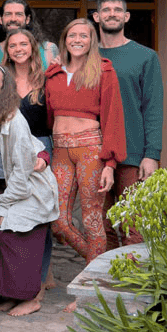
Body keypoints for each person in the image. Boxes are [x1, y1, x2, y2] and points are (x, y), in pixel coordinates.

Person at [0, 65, 59, 316]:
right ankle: (12, 296)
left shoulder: (14, 122)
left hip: (29, 188)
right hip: (6, 186)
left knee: (13, 235)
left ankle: (31, 299)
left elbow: (22, 178)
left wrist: (1, 207)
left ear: (4, 88)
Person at [45, 18, 126, 263]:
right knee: (58, 222)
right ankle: (101, 265)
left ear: (92, 41)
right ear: (65, 40)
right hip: (60, 151)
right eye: (72, 35)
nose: (77, 40)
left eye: (83, 36)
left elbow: (113, 118)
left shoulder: (103, 70)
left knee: (92, 220)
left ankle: (91, 286)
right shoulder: (53, 73)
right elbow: (48, 116)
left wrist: (110, 165)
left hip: (91, 149)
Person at [93, 0, 164, 248]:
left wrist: (151, 154)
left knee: (133, 226)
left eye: (117, 9)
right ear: (96, 16)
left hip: (133, 155)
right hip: (94, 152)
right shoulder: (86, 56)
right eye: (106, 9)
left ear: (126, 16)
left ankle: (134, 283)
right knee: (102, 229)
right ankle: (108, 285)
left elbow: (153, 108)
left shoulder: (145, 56)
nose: (111, 14)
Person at [0, 0, 59, 67]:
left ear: (27, 19)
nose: (13, 19)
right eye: (8, 14)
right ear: (1, 20)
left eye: (18, 14)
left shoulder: (48, 49)